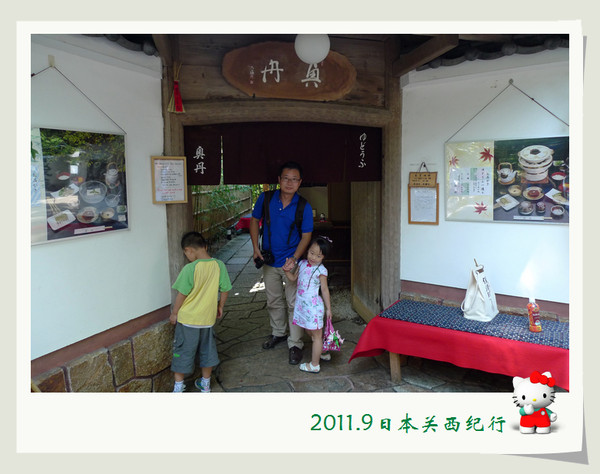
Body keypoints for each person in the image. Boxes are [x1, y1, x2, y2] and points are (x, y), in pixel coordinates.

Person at [249, 161, 313, 365]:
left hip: (291, 263)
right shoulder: (266, 198)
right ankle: (278, 332)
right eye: (286, 178)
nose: (289, 183)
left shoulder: (303, 206)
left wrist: (294, 258)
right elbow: (254, 220)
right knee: (273, 300)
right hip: (270, 260)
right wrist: (255, 247)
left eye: (294, 179)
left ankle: (295, 343)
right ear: (279, 180)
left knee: (294, 303)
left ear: (300, 182)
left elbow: (306, 236)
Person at [169, 231, 232, 393]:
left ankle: (178, 387)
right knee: (207, 351)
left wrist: (174, 313)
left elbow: (182, 294)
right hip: (207, 320)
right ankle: (205, 384)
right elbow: (225, 289)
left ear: (189, 250)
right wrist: (220, 306)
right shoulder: (219, 265)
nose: (187, 257)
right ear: (205, 247)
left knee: (183, 351)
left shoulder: (190, 268)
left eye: (186, 253)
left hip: (188, 320)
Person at [284, 236, 332, 373]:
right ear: (307, 250)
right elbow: (293, 278)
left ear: (323, 257)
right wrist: (286, 271)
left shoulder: (321, 271)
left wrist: (328, 308)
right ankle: (321, 351)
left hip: (313, 308)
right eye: (311, 253)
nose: (313, 257)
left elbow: (324, 290)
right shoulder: (302, 264)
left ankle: (314, 364)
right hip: (302, 306)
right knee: (309, 331)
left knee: (316, 336)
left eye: (318, 256)